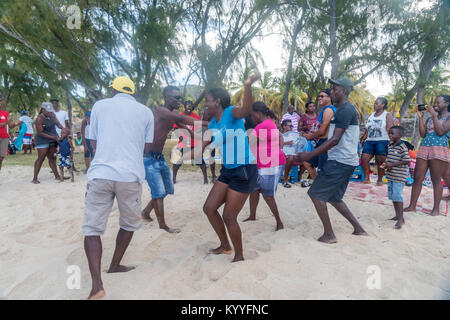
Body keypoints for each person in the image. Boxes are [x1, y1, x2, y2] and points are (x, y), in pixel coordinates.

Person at [82, 76, 154, 300]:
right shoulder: (146, 112)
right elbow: (147, 146)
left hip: (101, 173)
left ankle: (97, 286)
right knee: (130, 223)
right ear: (133, 92)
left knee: (92, 229)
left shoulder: (100, 106)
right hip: (130, 175)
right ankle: (114, 264)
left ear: (112, 89)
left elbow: (92, 141)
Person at [295, 78, 367, 243]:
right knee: (334, 198)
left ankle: (329, 234)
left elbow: (334, 139)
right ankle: (359, 229)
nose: (332, 92)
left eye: (335, 89)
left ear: (345, 91)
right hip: (343, 160)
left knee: (315, 194)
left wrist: (310, 154)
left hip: (340, 161)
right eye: (332, 89)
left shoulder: (345, 110)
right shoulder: (341, 109)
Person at [200, 72, 259, 262]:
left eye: (207, 100)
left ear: (217, 101)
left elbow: (247, 109)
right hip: (228, 169)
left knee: (229, 217)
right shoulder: (213, 123)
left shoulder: (231, 113)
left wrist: (247, 85)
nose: (205, 104)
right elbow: (207, 143)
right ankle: (225, 246)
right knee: (209, 208)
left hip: (244, 169)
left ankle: (239, 256)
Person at [141, 86, 209, 233]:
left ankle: (146, 212)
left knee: (167, 189)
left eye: (180, 97)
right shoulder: (161, 111)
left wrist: (194, 135)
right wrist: (206, 123)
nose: (180, 100)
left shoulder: (172, 113)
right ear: (166, 97)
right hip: (147, 158)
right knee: (159, 192)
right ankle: (163, 226)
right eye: (176, 97)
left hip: (158, 158)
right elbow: (180, 118)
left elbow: (180, 124)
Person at [405, 95, 450, 216]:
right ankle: (412, 206)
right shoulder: (429, 119)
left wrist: (434, 115)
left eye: (438, 103)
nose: (435, 105)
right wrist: (420, 119)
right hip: (424, 148)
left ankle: (436, 209)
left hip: (439, 149)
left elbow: (440, 132)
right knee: (418, 178)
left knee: (436, 179)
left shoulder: (448, 118)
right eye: (434, 103)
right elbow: (423, 134)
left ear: (446, 104)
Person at [243, 101, 286, 231]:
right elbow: (280, 138)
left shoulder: (262, 126)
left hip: (271, 164)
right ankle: (252, 215)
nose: (251, 117)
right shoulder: (268, 123)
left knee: (267, 195)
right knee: (254, 190)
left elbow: (249, 144)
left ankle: (279, 222)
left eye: (252, 114)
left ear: (258, 113)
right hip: (263, 162)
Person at [172, 100, 209, 184]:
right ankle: (173, 178)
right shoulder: (180, 116)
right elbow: (175, 128)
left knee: (200, 161)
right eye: (187, 105)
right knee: (177, 160)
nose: (189, 107)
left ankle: (205, 179)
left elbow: (200, 128)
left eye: (190, 106)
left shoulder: (196, 117)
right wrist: (180, 137)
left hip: (194, 143)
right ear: (184, 106)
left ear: (192, 107)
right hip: (183, 143)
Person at [360, 97, 394, 185]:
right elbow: (368, 128)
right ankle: (367, 178)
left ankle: (380, 179)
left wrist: (391, 141)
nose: (374, 105)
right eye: (374, 103)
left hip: (382, 140)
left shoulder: (387, 115)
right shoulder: (372, 115)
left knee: (380, 161)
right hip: (370, 140)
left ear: (383, 105)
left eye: (377, 103)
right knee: (364, 158)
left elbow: (390, 129)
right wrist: (364, 138)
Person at [382, 126, 410, 229]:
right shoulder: (391, 145)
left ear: (399, 135)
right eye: (389, 133)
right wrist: (386, 164)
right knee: (393, 196)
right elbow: (391, 159)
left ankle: (401, 219)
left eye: (392, 133)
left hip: (399, 176)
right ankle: (397, 215)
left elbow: (407, 160)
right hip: (391, 176)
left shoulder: (402, 146)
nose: (390, 135)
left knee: (397, 196)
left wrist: (392, 165)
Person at [304, 89, 336, 171]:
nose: (319, 98)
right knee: (307, 162)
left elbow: (322, 131)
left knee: (323, 170)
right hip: (322, 142)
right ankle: (316, 183)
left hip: (325, 142)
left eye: (322, 96)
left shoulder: (328, 110)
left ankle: (321, 183)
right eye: (319, 96)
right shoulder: (325, 110)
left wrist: (310, 136)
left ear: (329, 98)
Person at [32, 102, 64, 183]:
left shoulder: (52, 115)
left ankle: (57, 176)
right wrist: (54, 137)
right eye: (48, 111)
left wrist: (64, 129)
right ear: (43, 110)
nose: (50, 112)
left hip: (53, 137)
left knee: (52, 158)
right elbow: (40, 133)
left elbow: (58, 124)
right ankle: (35, 178)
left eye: (51, 111)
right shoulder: (39, 119)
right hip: (42, 139)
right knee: (41, 158)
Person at [0, 98, 18, 170]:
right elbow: (5, 123)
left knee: (1, 158)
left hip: (4, 137)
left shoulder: (5, 113)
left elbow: (10, 126)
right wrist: (6, 122)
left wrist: (15, 123)